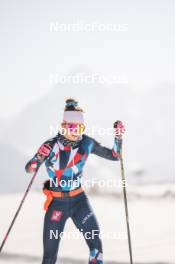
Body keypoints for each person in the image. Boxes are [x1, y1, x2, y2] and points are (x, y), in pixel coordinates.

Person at [25, 98, 125, 264]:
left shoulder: (86, 143)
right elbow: (30, 169)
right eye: (72, 127)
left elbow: (115, 156)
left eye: (80, 127)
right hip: (57, 204)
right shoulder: (51, 146)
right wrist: (39, 157)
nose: (76, 132)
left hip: (80, 202)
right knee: (49, 257)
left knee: (96, 250)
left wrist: (118, 137)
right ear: (63, 126)